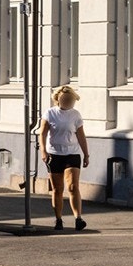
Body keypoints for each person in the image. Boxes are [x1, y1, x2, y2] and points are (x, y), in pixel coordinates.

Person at [39, 84, 90, 231]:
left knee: (73, 187)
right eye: (65, 99)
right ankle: (58, 219)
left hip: (72, 153)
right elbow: (42, 133)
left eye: (70, 99)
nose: (67, 102)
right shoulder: (50, 113)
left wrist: (86, 154)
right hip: (54, 154)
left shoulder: (75, 115)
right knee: (57, 189)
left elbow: (81, 136)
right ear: (58, 99)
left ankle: (78, 218)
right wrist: (43, 151)